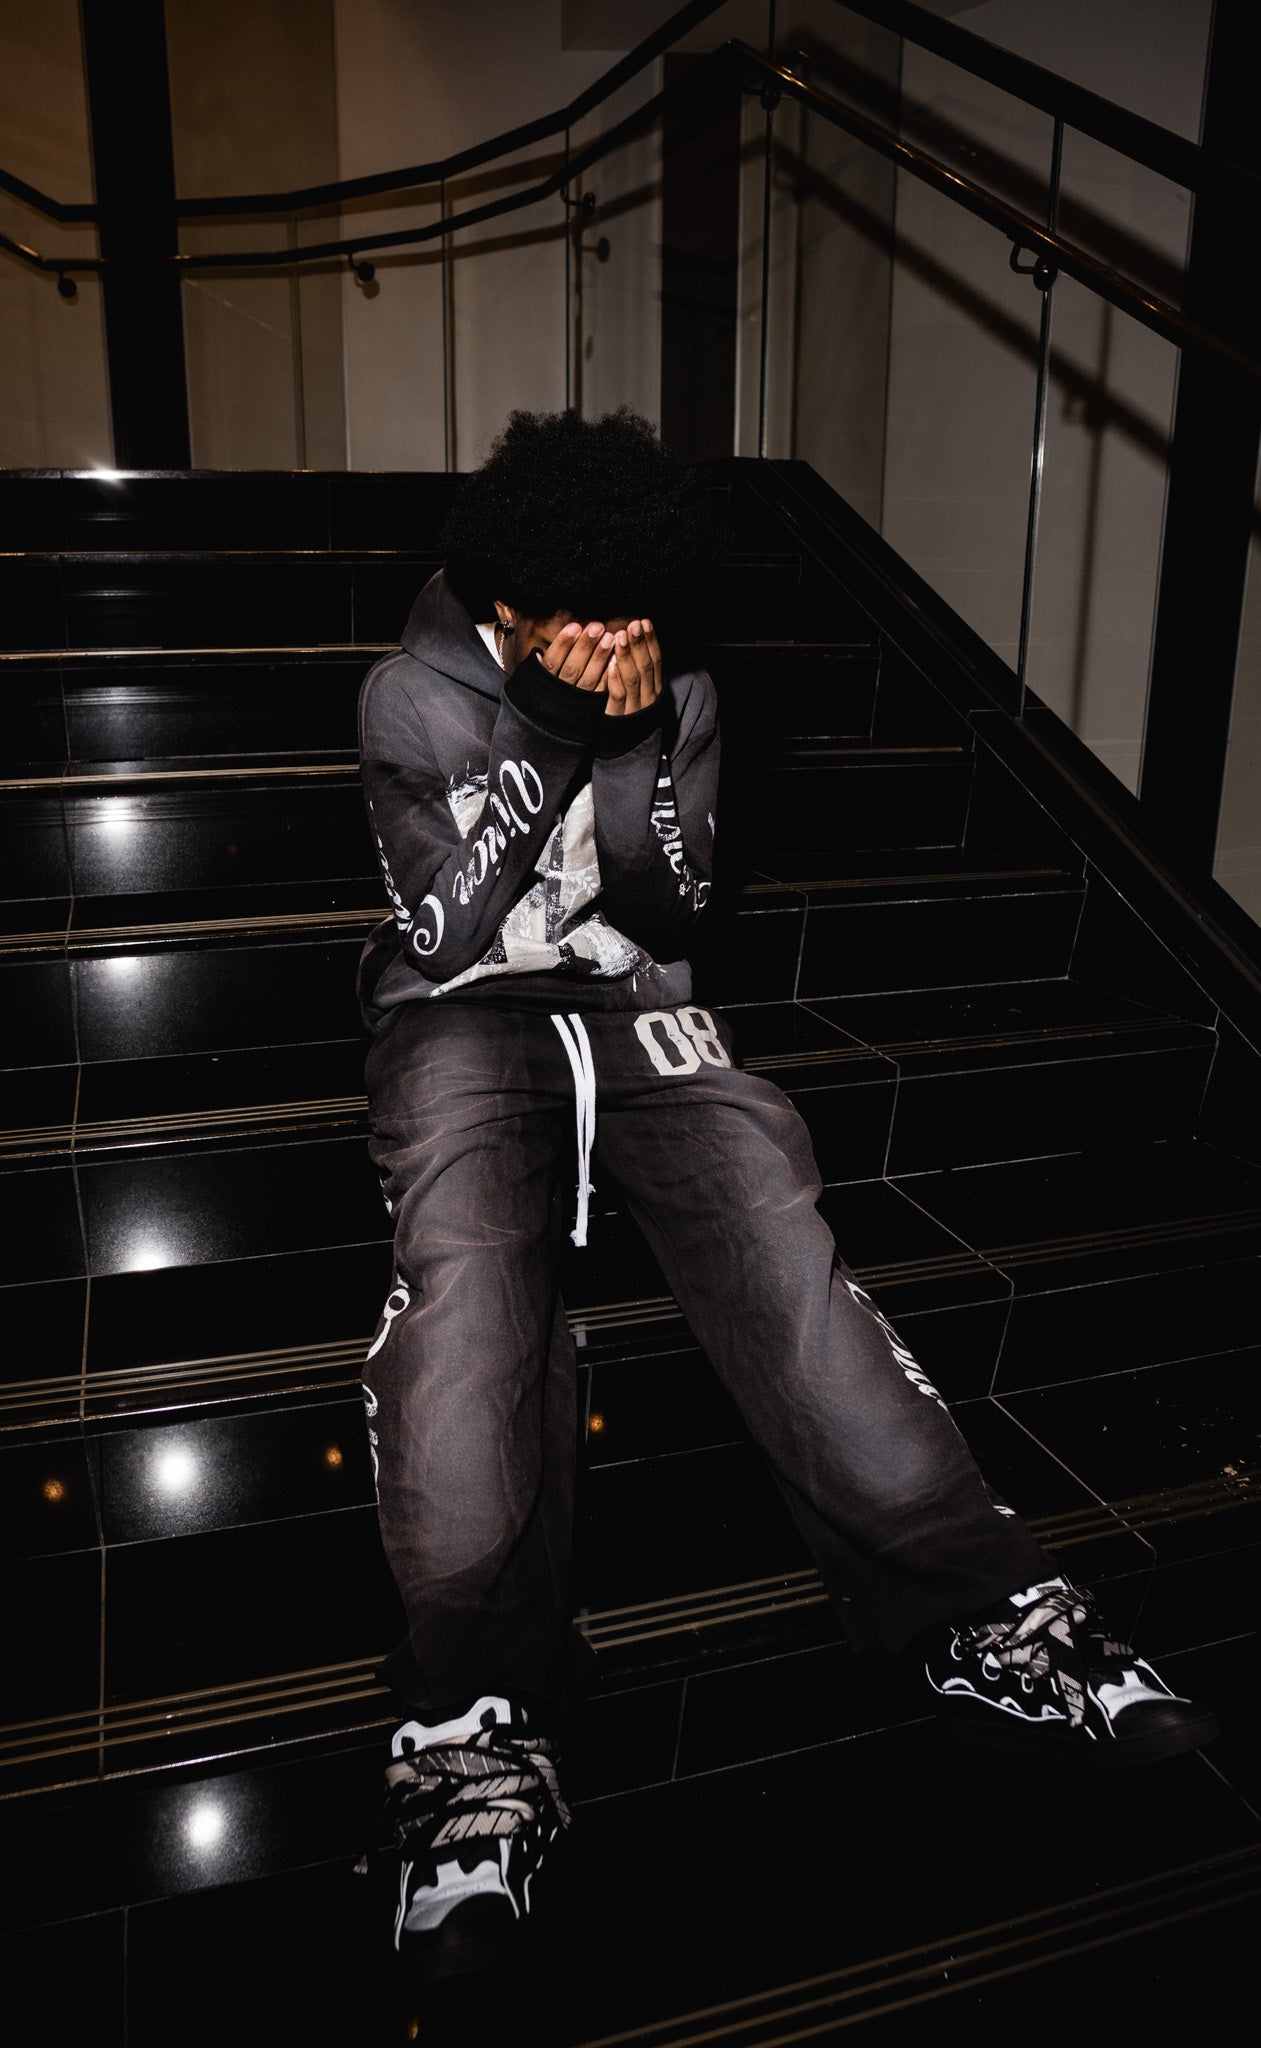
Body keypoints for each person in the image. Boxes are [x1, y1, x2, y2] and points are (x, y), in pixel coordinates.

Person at [354, 408, 1217, 1976]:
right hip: (460, 1014)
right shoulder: (407, 694)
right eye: (580, 626)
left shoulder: (676, 684)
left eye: (641, 623)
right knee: (468, 1287)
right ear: (507, 603)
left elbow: (674, 905)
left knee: (775, 1235)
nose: (621, 647)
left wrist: (629, 745)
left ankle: (972, 1603)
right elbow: (442, 928)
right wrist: (542, 731)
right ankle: (471, 1711)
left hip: (640, 1007)